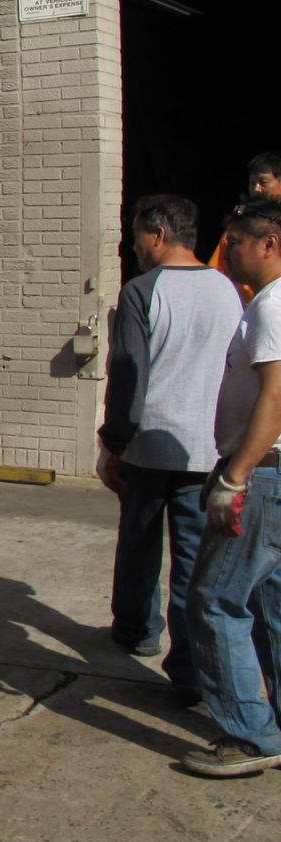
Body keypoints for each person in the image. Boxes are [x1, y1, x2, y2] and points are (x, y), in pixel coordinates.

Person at [96, 195, 243, 694]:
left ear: (157, 234)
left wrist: (113, 442)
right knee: (193, 561)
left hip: (149, 446)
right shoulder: (228, 290)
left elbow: (128, 375)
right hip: (207, 447)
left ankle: (137, 631)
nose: (133, 245)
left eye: (138, 235)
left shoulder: (143, 291)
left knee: (139, 545)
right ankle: (189, 668)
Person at [181, 195, 281, 777]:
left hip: (263, 473)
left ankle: (249, 735)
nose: (229, 251)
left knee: (216, 602)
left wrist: (233, 477)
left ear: (268, 244)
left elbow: (274, 399)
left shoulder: (271, 308)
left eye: (236, 242)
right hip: (271, 473)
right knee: (270, 602)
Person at [206, 152, 281, 303]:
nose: (256, 189)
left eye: (263, 182)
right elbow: (217, 271)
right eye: (252, 183)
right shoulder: (240, 225)